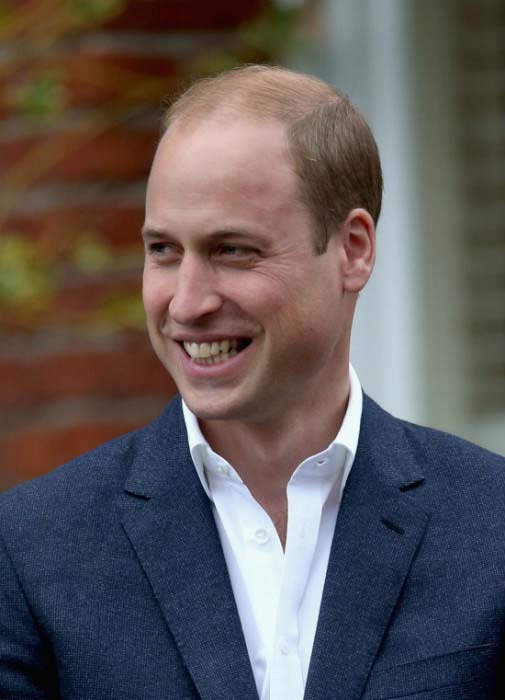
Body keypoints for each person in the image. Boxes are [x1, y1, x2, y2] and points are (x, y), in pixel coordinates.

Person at [0, 65, 504, 700]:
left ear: (352, 250)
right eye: (163, 251)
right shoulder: (31, 550)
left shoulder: (490, 523)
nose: (185, 303)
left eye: (231, 250)